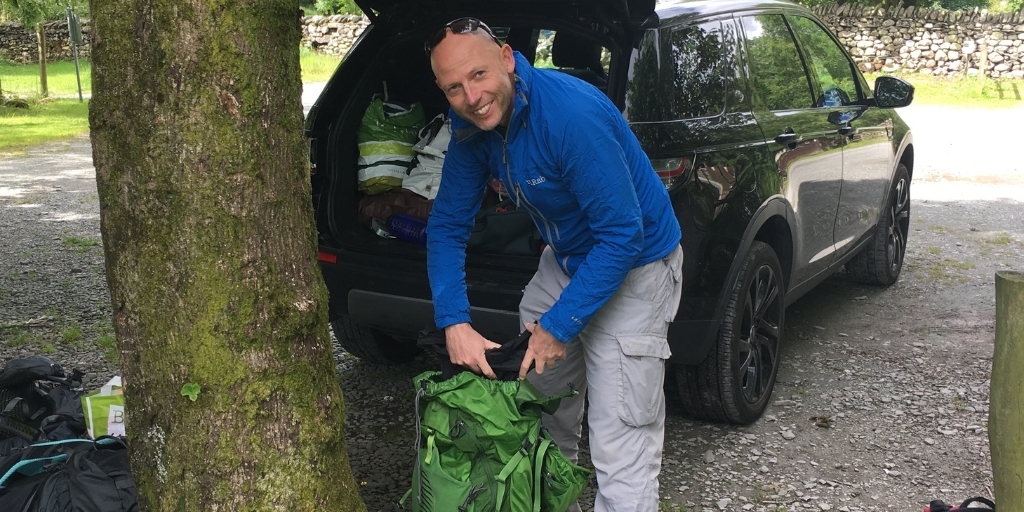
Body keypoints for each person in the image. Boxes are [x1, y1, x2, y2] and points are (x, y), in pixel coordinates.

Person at [424, 17, 683, 511]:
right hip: (566, 261)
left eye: (478, 75)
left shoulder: (570, 116)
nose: (472, 97)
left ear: (506, 59)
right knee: (538, 414)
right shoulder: (472, 127)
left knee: (621, 440)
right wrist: (454, 321)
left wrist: (559, 326)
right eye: (454, 87)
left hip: (637, 266)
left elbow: (622, 235)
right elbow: (447, 225)